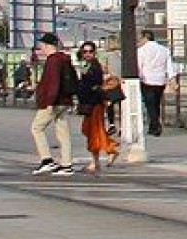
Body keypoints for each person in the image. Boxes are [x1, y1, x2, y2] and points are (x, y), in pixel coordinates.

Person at [29, 32, 79, 175]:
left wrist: (49, 101)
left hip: (54, 101)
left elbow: (53, 82)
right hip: (65, 100)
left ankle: (47, 160)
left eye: (42, 46)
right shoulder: (65, 59)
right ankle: (66, 164)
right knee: (63, 132)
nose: (41, 49)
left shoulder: (53, 60)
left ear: (47, 45)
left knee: (36, 128)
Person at [73, 42, 121, 173]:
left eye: (90, 51)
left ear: (94, 53)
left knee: (93, 131)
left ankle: (98, 159)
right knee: (90, 130)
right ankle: (109, 149)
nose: (87, 54)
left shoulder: (94, 67)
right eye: (85, 52)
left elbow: (92, 85)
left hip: (94, 103)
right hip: (89, 102)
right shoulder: (86, 66)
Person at [137, 28, 176, 137]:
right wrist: (172, 79)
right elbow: (169, 67)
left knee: (149, 104)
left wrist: (137, 78)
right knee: (156, 103)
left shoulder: (141, 50)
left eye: (140, 38)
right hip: (160, 80)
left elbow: (139, 66)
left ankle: (155, 125)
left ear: (145, 38)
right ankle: (152, 126)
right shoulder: (164, 49)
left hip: (147, 80)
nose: (139, 40)